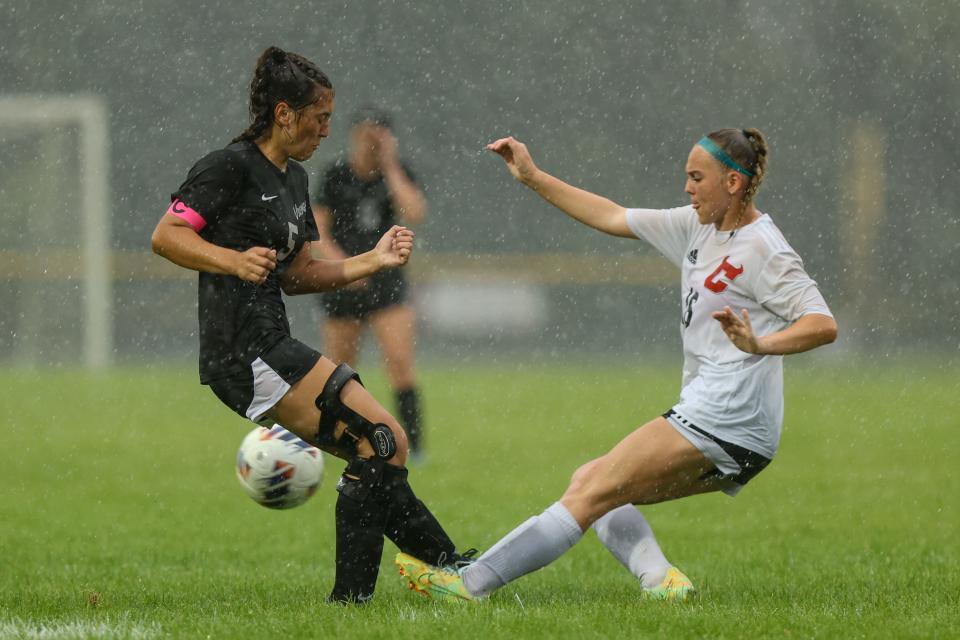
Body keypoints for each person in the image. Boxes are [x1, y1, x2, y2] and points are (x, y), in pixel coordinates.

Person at [395, 129, 838, 602]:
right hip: (743, 430)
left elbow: (822, 322)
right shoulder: (697, 226)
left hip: (727, 413)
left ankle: (471, 585)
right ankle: (661, 582)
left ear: (732, 182)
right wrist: (533, 176)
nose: (687, 188)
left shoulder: (763, 247)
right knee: (597, 484)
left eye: (696, 177)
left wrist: (760, 343)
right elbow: (609, 214)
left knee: (590, 493)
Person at [150, 46, 471, 604]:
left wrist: (371, 260)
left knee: (383, 446)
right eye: (319, 117)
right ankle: (362, 598)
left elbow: (298, 275)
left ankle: (447, 568)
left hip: (272, 343)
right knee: (379, 440)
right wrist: (231, 260)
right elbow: (166, 236)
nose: (326, 129)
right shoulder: (228, 166)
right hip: (242, 352)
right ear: (283, 113)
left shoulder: (295, 180)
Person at [311, 106, 428, 457]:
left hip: (386, 282)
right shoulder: (335, 176)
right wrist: (348, 268)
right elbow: (318, 232)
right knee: (339, 372)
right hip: (344, 281)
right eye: (364, 134)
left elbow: (416, 213)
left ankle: (415, 449)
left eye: (377, 136)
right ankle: (337, 441)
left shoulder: (396, 175)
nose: (370, 143)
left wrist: (390, 164)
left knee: (400, 363)